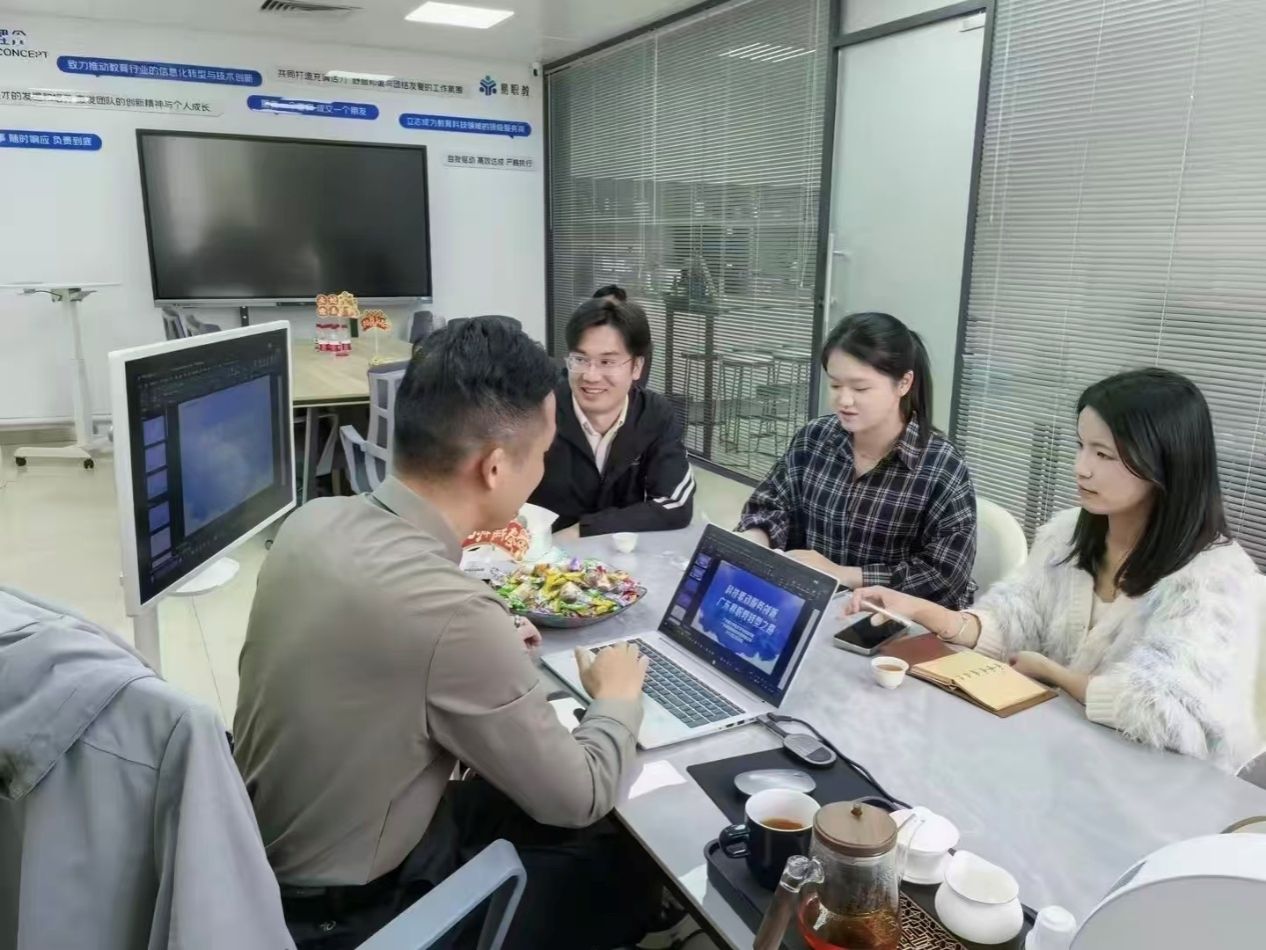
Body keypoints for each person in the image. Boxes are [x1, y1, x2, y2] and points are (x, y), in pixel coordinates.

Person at [233, 317, 658, 950]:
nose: (543, 469)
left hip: (262, 859)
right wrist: (617, 700)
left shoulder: (311, 522)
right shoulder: (457, 616)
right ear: (494, 468)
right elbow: (581, 794)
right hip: (350, 911)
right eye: (542, 454)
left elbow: (382, 661)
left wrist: (482, 647)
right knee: (620, 860)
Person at [848, 369, 1262, 771]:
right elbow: (1013, 620)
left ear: (1166, 464)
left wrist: (1056, 675)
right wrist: (928, 613)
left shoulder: (1213, 578)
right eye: (1082, 446)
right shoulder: (1067, 534)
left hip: (1157, 782)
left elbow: (1167, 713)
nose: (1082, 467)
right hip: (1061, 756)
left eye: (1103, 454)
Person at [737, 312, 977, 608]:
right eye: (835, 385)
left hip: (892, 618)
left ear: (903, 384)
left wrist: (844, 575)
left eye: (860, 388)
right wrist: (755, 540)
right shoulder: (815, 438)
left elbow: (945, 577)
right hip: (814, 605)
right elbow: (771, 504)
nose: (844, 401)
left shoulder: (941, 466)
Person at [532, 297, 694, 537]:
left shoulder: (654, 414)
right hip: (541, 552)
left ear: (636, 367)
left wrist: (584, 529)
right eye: (580, 360)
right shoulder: (540, 411)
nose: (591, 376)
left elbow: (675, 504)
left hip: (619, 555)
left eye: (607, 362)